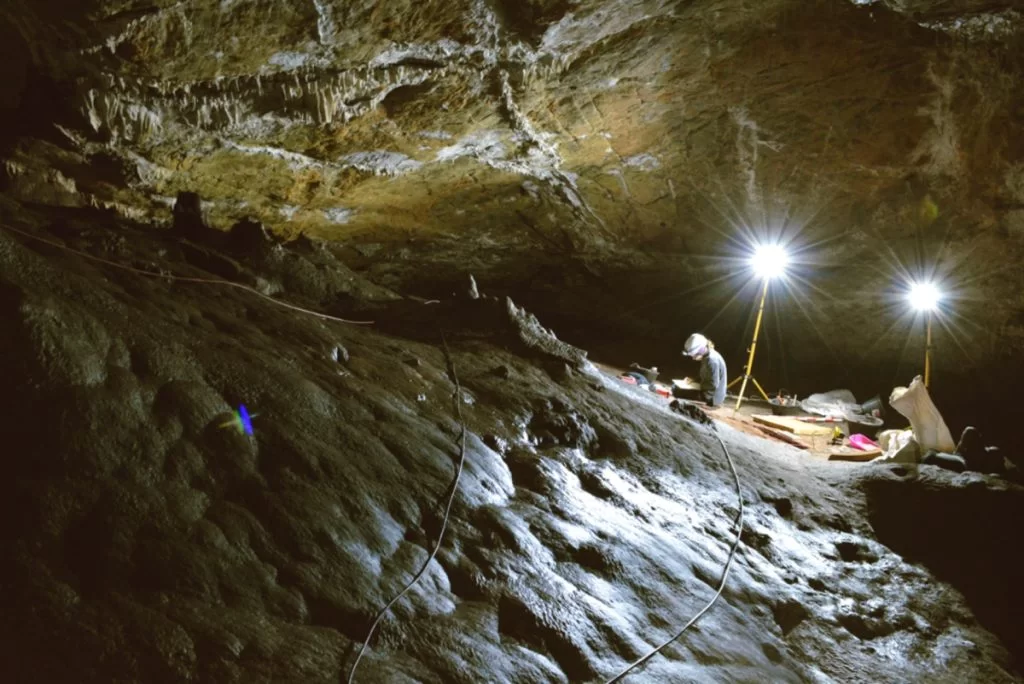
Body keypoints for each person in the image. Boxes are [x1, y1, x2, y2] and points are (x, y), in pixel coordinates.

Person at [683, 333, 727, 407]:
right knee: (676, 389)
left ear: (702, 350)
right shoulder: (706, 356)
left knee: (680, 393)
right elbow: (706, 375)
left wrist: (702, 398)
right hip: (707, 390)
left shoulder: (712, 360)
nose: (693, 358)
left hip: (712, 397)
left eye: (694, 355)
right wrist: (693, 380)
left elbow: (713, 385)